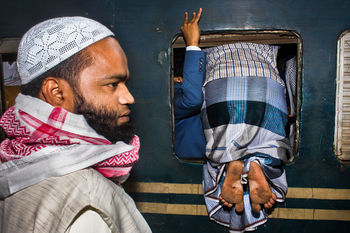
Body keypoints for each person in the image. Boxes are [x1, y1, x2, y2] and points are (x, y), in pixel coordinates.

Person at [0, 17, 151, 233]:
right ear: (57, 92)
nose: (129, 97)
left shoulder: (16, 165)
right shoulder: (87, 198)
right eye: (112, 85)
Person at [173, 8, 206, 160]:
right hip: (190, 163)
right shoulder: (176, 93)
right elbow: (192, 100)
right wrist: (192, 44)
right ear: (177, 79)